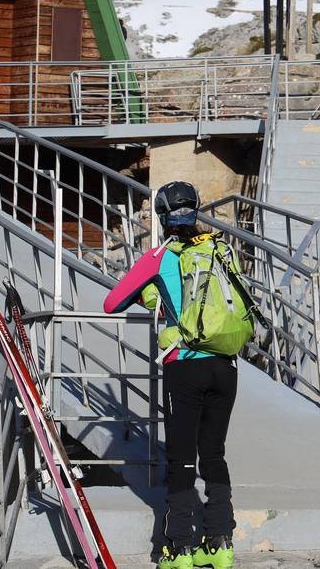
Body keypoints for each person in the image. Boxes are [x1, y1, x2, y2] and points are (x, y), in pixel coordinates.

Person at [104, 181, 245, 569]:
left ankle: (179, 546)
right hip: (226, 364)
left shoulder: (159, 257)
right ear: (196, 211)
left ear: (163, 216)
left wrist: (150, 293)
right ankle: (219, 543)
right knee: (214, 454)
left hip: (185, 365)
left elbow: (112, 303)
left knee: (182, 458)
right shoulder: (218, 249)